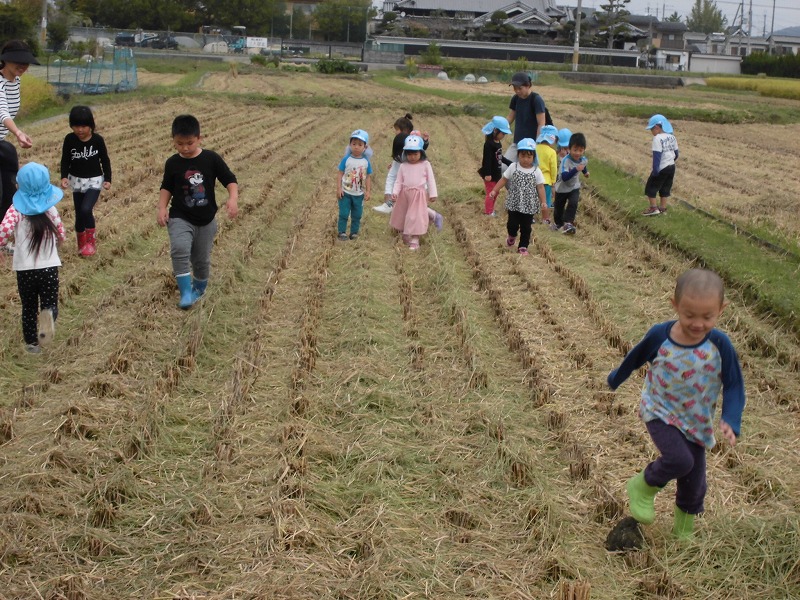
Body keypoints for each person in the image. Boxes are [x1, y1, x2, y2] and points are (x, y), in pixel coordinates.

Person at [607, 268, 745, 540]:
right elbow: (635, 357)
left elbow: (733, 384)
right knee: (679, 460)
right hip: (660, 411)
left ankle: (683, 533)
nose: (697, 324)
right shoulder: (661, 335)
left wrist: (731, 418)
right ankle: (643, 486)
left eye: (708, 317)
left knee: (695, 482)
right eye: (689, 315)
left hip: (697, 421)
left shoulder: (720, 344)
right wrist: (615, 378)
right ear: (675, 305)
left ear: (721, 309)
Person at [157, 114, 238, 309]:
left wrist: (233, 198)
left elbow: (230, 179)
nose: (185, 148)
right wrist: (161, 208)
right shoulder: (172, 163)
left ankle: (199, 287)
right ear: (173, 141)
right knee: (179, 248)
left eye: (190, 143)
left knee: (201, 260)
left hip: (206, 219)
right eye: (179, 144)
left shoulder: (211, 158)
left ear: (199, 138)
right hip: (180, 216)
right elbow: (166, 187)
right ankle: (185, 292)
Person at [0, 162, 66, 354]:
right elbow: (61, 231)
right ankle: (48, 318)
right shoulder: (50, 209)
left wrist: (1, 246)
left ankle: (31, 345)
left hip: (25, 269)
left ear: (19, 186)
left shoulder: (16, 209)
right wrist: (59, 243)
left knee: (28, 307)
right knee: (49, 303)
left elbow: (4, 229)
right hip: (49, 267)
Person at [60, 105, 112, 257]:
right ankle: (81, 244)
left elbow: (105, 160)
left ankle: (90, 242)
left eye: (83, 126)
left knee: (86, 209)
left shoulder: (97, 140)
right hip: (76, 181)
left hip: (94, 181)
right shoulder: (69, 140)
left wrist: (108, 179)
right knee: (79, 214)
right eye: (76, 126)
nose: (80, 130)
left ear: (91, 125)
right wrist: (64, 176)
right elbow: (65, 160)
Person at [0, 41, 39, 234]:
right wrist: (18, 133)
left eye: (26, 63)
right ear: (5, 59)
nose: (23, 66)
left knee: (10, 190)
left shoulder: (16, 81)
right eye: (18, 62)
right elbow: (3, 112)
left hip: (1, 141)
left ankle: (3, 237)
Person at [487, 138, 545, 256]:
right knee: (512, 224)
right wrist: (494, 190)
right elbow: (504, 180)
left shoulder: (536, 171)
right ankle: (512, 236)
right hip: (514, 202)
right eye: (522, 156)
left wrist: (543, 201)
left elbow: (540, 187)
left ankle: (523, 246)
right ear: (518, 155)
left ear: (534, 157)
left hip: (529, 204)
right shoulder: (513, 167)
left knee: (526, 227)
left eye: (529, 157)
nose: (525, 159)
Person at [389, 134, 438, 251]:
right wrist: (395, 192)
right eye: (409, 154)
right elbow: (398, 181)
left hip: (418, 194)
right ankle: (405, 233)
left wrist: (432, 193)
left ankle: (415, 238)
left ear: (421, 153)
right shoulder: (403, 166)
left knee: (415, 216)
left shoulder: (425, 165)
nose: (412, 157)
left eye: (415, 153)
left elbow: (431, 179)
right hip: (404, 194)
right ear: (405, 154)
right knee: (403, 214)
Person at [373, 113, 427, 215]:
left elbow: (425, 179)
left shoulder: (419, 161)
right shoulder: (399, 153)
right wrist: (388, 193)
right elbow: (392, 176)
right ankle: (390, 205)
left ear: (405, 131)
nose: (395, 133)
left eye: (396, 130)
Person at [336, 129, 372, 241]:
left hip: (359, 194)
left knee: (357, 215)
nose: (356, 147)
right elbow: (340, 174)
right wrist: (339, 188)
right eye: (354, 144)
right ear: (350, 145)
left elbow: (368, 177)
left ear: (365, 147)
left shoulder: (366, 162)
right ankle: (341, 232)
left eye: (360, 144)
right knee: (344, 213)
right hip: (345, 193)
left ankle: (354, 233)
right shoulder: (346, 159)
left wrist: (368, 191)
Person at [505, 71, 548, 163]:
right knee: (504, 168)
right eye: (515, 88)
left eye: (520, 88)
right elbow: (510, 118)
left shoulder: (536, 100)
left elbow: (541, 123)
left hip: (531, 145)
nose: (517, 91)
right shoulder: (516, 99)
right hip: (517, 143)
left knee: (528, 170)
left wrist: (537, 144)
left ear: (528, 86)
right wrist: (498, 127)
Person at [552, 132, 589, 235]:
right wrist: (575, 169)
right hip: (562, 188)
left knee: (573, 203)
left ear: (584, 150)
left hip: (574, 187)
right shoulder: (565, 161)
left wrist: (585, 172)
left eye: (581, 150)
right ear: (569, 148)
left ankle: (568, 223)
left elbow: (583, 165)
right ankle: (558, 224)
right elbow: (564, 177)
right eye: (575, 150)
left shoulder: (583, 159)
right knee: (559, 208)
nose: (578, 153)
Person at [642, 114, 679, 216]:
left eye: (651, 129)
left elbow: (657, 156)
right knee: (665, 188)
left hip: (662, 167)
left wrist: (655, 171)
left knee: (650, 187)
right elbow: (676, 154)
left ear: (657, 127)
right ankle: (662, 208)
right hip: (671, 167)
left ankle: (653, 208)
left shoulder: (657, 138)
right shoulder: (672, 137)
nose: (651, 132)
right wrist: (671, 161)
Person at [478, 115, 512, 217]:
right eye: (503, 133)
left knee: (495, 192)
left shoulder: (498, 143)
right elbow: (486, 160)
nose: (504, 135)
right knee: (491, 193)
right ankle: (488, 212)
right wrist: (487, 174)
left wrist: (509, 163)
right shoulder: (488, 144)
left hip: (497, 173)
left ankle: (491, 209)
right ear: (495, 130)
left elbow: (500, 157)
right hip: (490, 174)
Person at [536, 124, 558, 226]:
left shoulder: (535, 148)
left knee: (533, 198)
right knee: (546, 200)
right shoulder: (552, 152)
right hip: (546, 180)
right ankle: (545, 218)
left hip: (534, 178)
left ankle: (530, 216)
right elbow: (553, 167)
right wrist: (553, 180)